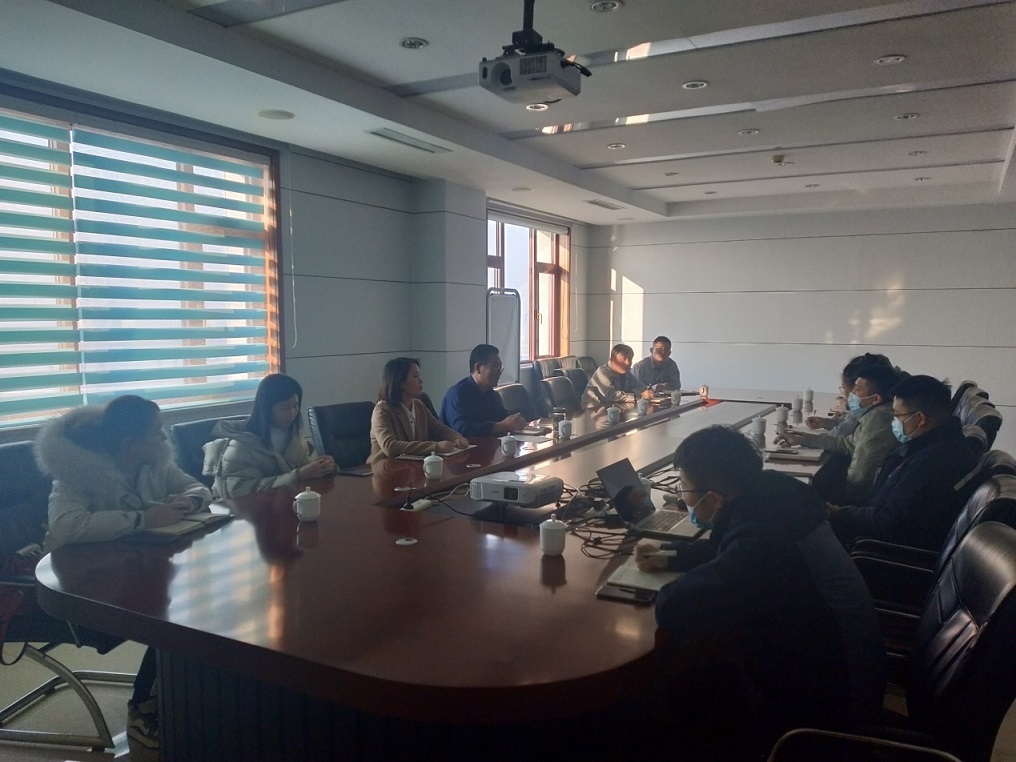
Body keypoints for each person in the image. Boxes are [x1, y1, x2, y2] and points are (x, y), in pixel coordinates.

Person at [634, 426, 885, 759]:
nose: (683, 497)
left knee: (668, 701)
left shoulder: (761, 544)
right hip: (835, 660)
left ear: (714, 499)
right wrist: (671, 556)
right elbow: (732, 551)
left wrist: (665, 588)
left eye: (685, 488)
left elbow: (675, 608)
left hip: (825, 699)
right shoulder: (775, 496)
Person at [34, 394, 213, 751]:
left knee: (191, 609)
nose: (163, 438)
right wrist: (142, 519)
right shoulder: (78, 471)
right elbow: (66, 526)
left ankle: (180, 696)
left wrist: (190, 500)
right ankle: (143, 710)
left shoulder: (154, 462)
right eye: (156, 431)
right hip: (83, 584)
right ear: (131, 443)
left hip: (135, 569)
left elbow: (198, 487)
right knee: (176, 619)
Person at [829, 375, 982, 552]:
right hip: (876, 529)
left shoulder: (932, 462)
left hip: (881, 552)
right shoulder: (939, 444)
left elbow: (889, 523)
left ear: (920, 419)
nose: (894, 422)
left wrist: (840, 514)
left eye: (897, 415)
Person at [778, 363, 900, 503]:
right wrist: (802, 439)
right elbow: (847, 443)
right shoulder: (875, 413)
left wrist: (842, 506)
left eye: (857, 389)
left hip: (858, 499)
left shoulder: (878, 419)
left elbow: (861, 475)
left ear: (876, 399)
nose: (852, 393)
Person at [203, 374, 334, 498]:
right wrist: (298, 475)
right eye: (285, 408)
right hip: (242, 511)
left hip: (282, 504)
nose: (292, 413)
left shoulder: (294, 436)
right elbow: (239, 492)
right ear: (266, 409)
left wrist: (323, 468)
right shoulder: (240, 446)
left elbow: (304, 469)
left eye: (296, 406)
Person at [369, 357, 469, 463]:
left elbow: (438, 429)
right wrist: (435, 446)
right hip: (385, 468)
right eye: (415, 376)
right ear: (400, 382)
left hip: (412, 466)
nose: (420, 381)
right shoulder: (382, 410)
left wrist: (456, 438)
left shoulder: (418, 405)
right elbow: (390, 447)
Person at [440, 344, 526, 436]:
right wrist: (502, 426)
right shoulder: (457, 394)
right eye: (495, 366)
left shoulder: (490, 393)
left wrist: (515, 420)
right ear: (478, 368)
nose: (499, 372)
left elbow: (501, 417)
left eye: (500, 367)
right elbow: (463, 429)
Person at [805, 352, 894, 433]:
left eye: (857, 389)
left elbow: (841, 434)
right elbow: (849, 420)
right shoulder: (877, 407)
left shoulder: (876, 416)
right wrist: (825, 422)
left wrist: (805, 439)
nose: (846, 395)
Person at [581, 343, 653, 408]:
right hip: (593, 412)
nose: (628, 363)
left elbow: (641, 387)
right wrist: (636, 395)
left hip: (617, 409)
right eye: (624, 359)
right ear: (612, 360)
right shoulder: (602, 373)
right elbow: (611, 396)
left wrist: (646, 391)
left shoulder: (626, 372)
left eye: (630, 359)